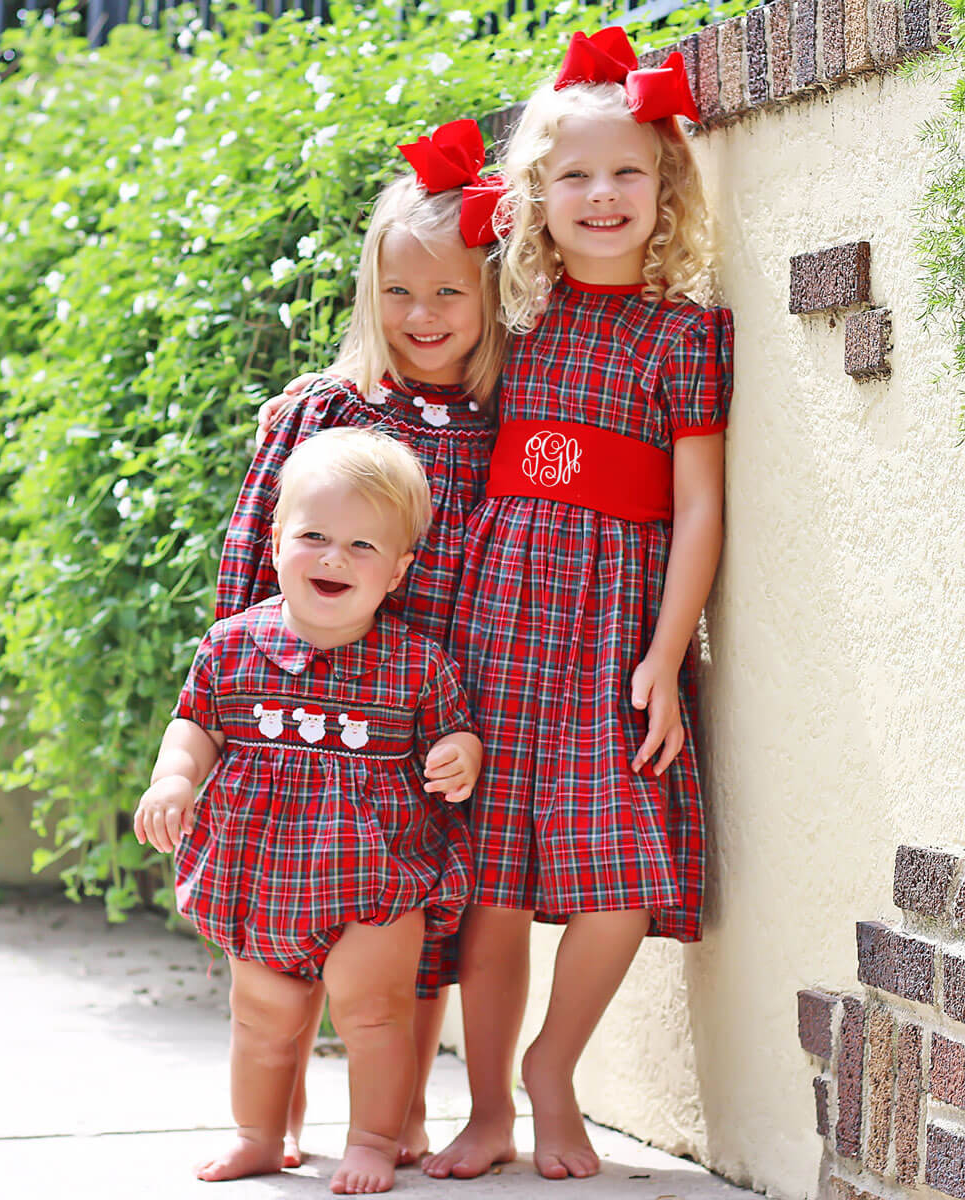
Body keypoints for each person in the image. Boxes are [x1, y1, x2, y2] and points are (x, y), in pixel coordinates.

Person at [422, 28, 733, 1182]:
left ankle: (558, 1067)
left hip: (613, 631)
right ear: (535, 197)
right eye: (575, 176)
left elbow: (697, 509)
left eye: (628, 173)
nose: (603, 196)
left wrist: (666, 649)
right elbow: (413, 365)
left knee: (628, 864)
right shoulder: (513, 320)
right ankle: (495, 1107)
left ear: (666, 189)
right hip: (500, 622)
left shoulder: (688, 334)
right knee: (493, 879)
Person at [218, 118, 507, 1168]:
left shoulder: (497, 415)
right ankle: (273, 1120)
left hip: (429, 704)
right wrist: (238, 678)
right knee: (281, 931)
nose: (423, 316)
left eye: (448, 294)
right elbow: (257, 554)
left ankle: (399, 1117)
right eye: (398, 293)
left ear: (490, 299)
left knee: (414, 929)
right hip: (311, 705)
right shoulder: (326, 412)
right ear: (366, 297)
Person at [135, 428, 483, 1194]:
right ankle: (258, 1136)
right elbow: (195, 724)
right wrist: (173, 779)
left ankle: (371, 1139)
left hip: (378, 877)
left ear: (398, 571)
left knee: (374, 1013)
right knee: (260, 1020)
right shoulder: (231, 647)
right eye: (315, 536)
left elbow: (453, 731)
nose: (333, 558)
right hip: (260, 872)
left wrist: (462, 754)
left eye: (362, 547)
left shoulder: (417, 663)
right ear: (277, 540)